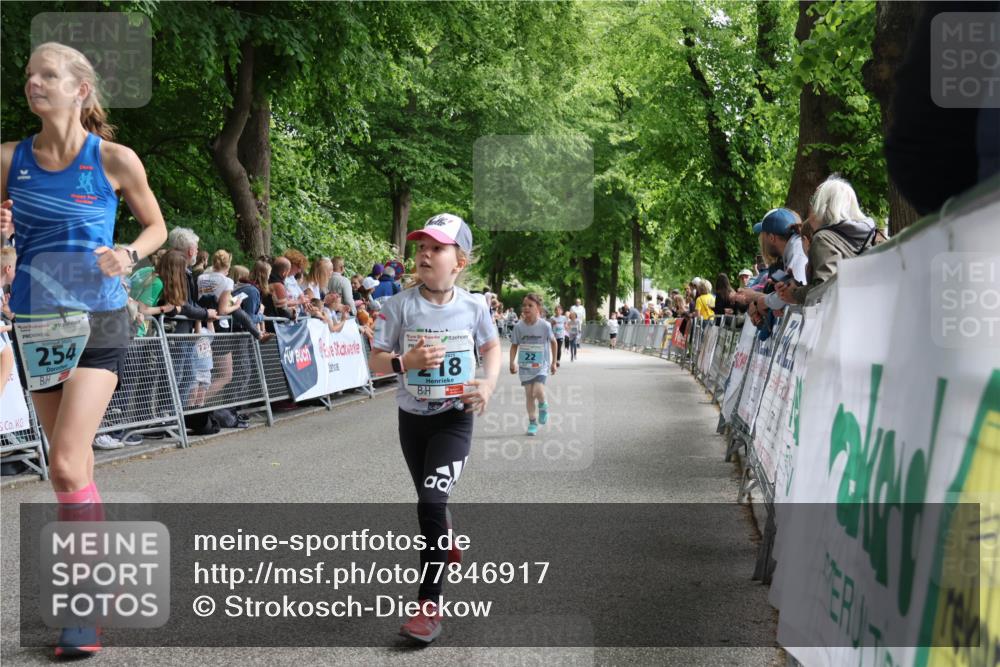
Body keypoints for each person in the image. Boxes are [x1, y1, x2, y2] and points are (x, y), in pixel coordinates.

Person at [0, 42, 169, 657]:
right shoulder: (9, 160)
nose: (34, 83)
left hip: (98, 319)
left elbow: (156, 227)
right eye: (29, 75)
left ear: (80, 89)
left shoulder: (114, 159)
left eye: (47, 75)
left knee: (67, 464)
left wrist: (127, 253)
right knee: (72, 467)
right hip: (36, 324)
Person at [369, 213, 500, 644]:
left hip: (454, 418)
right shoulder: (399, 306)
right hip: (412, 420)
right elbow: (375, 361)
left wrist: (488, 384)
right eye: (421, 247)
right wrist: (405, 363)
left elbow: (491, 347)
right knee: (432, 507)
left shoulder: (474, 306)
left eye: (437, 248)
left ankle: (428, 608)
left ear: (459, 261)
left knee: (429, 502)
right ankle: (444, 532)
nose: (425, 254)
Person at [776, 175, 878, 306]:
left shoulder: (823, 238)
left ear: (822, 206)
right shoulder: (872, 235)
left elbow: (824, 291)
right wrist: (798, 286)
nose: (810, 206)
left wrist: (794, 295)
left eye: (813, 200)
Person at [510, 293, 557, 437]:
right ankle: (532, 422)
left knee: (537, 391)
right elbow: (514, 345)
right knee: (529, 395)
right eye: (524, 305)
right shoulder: (518, 327)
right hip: (525, 366)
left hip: (541, 365)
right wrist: (512, 362)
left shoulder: (545, 325)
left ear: (538, 308)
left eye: (530, 305)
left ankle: (543, 405)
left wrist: (554, 362)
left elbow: (554, 342)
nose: (526, 308)